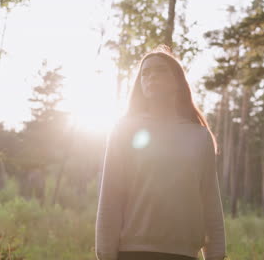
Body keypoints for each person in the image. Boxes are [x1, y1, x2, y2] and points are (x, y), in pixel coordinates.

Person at [95, 46, 227, 260]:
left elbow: (210, 200)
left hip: (183, 254)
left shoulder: (199, 136)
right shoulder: (124, 130)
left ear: (177, 81)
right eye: (145, 73)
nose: (151, 76)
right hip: (132, 252)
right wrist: (105, 254)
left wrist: (216, 254)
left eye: (159, 70)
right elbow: (110, 198)